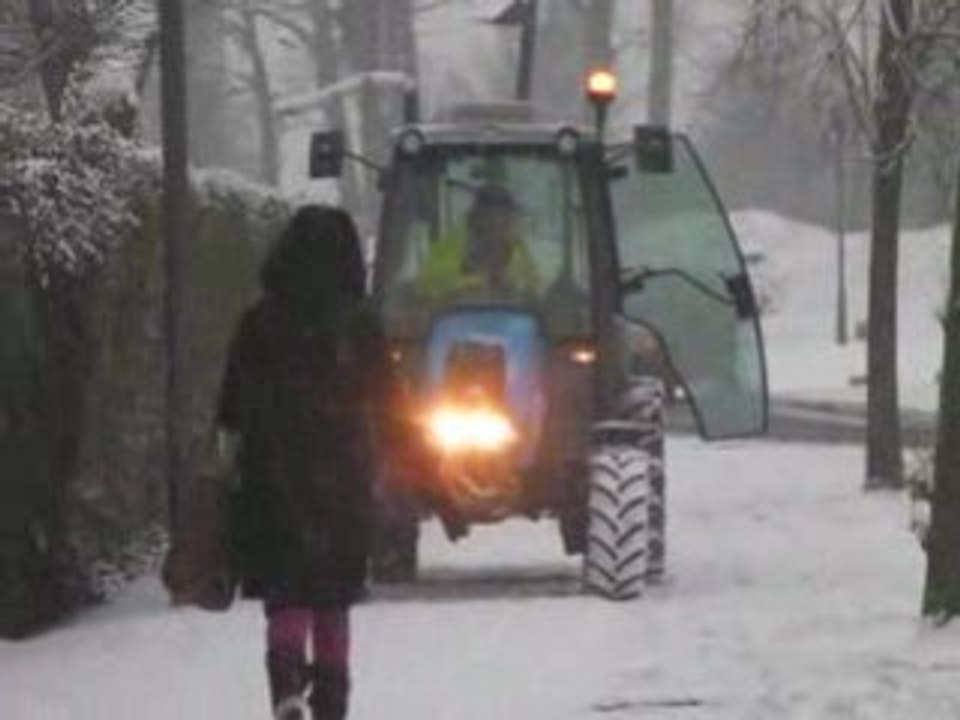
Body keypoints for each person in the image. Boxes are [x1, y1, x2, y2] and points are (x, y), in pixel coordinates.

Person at [214, 205, 399, 720]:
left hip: (270, 481)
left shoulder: (257, 324)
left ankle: (287, 687)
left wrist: (223, 472)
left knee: (287, 595)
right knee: (333, 602)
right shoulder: (360, 326)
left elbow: (230, 410)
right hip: (343, 482)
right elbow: (391, 404)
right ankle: (331, 705)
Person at [418, 184, 540, 302]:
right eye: (489, 215)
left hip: (510, 314)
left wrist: (516, 284)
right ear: (475, 217)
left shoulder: (517, 247)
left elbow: (534, 286)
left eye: (505, 215)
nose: (498, 222)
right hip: (462, 313)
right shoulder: (454, 244)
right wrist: (477, 281)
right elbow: (428, 286)